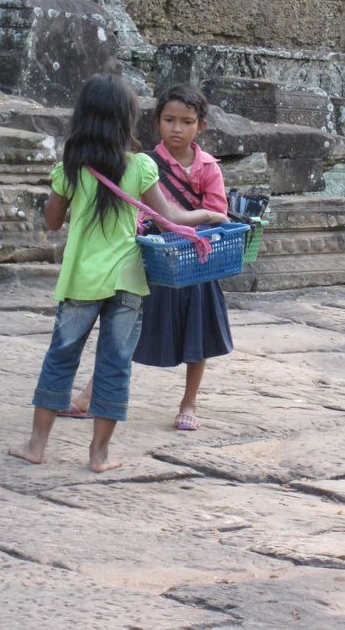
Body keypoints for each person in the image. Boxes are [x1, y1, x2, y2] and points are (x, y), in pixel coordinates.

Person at [8, 75, 228, 473]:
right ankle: (99, 454)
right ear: (128, 120)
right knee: (115, 363)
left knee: (61, 357)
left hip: (81, 281)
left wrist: (64, 188)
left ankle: (37, 445)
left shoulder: (71, 168)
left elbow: (53, 222)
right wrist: (210, 214)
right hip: (127, 280)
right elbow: (170, 217)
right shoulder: (141, 166)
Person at [67, 83, 233, 432]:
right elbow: (136, 211)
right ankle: (92, 394)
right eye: (169, 120)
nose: (177, 128)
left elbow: (217, 213)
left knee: (197, 335)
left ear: (200, 126)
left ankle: (189, 401)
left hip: (196, 262)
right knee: (122, 327)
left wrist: (191, 223)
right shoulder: (146, 164)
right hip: (152, 260)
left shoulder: (208, 168)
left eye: (187, 121)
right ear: (156, 122)